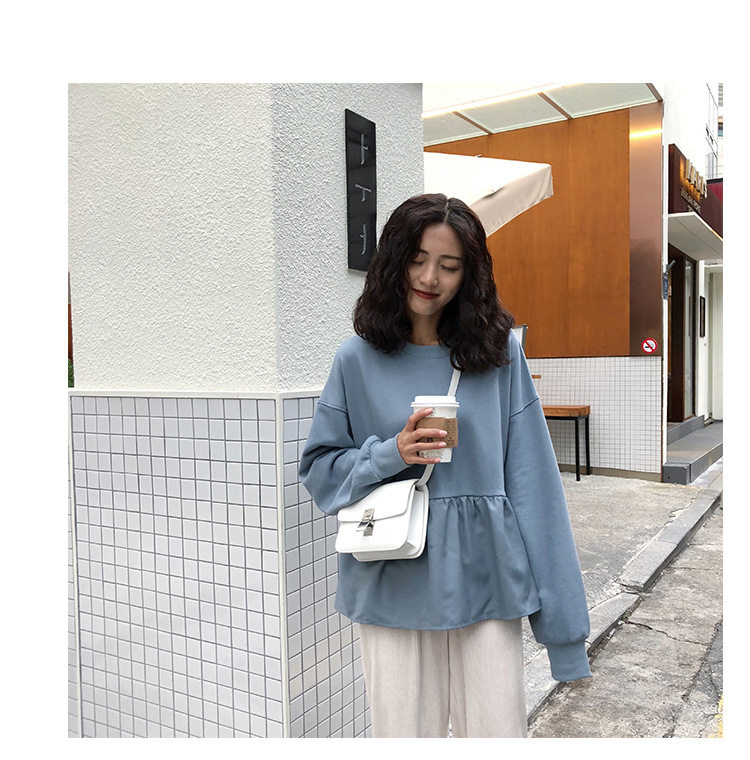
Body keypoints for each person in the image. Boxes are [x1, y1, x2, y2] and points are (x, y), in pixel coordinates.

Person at [299, 193, 591, 738]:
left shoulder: (498, 355)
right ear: (393, 261)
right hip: (392, 582)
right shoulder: (355, 359)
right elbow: (320, 473)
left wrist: (564, 633)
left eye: (449, 265)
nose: (430, 277)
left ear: (469, 274)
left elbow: (535, 489)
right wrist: (392, 453)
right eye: (417, 259)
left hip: (487, 581)